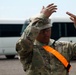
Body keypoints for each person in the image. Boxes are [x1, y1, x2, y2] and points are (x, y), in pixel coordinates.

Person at [16, 3, 76, 75]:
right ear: (35, 31)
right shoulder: (29, 50)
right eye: (42, 31)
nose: (46, 33)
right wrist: (41, 17)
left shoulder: (65, 47)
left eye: (48, 30)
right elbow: (24, 42)